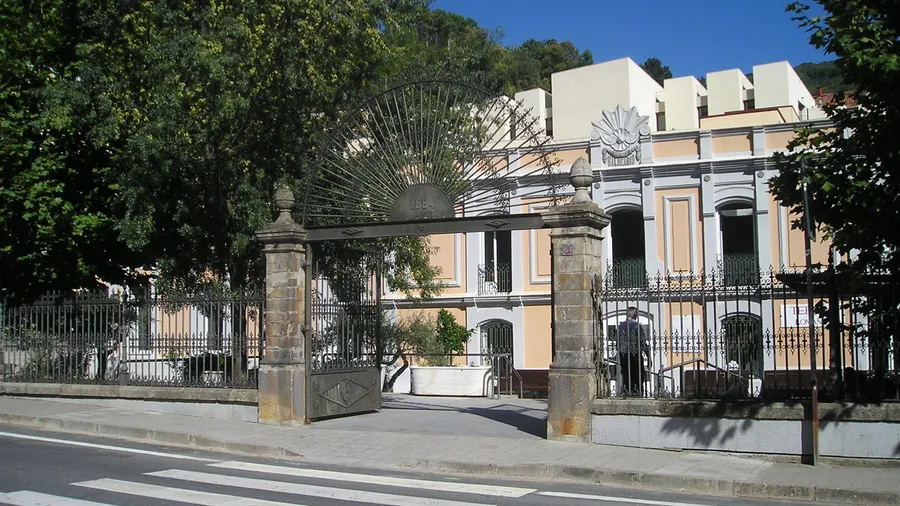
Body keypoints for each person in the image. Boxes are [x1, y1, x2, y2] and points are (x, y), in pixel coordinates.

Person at [616, 307, 649, 396]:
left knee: (626, 375)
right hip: (635, 354)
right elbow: (642, 342)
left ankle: (626, 392)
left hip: (623, 355)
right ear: (635, 315)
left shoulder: (620, 326)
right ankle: (636, 393)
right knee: (637, 375)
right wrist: (648, 356)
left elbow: (617, 343)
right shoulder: (637, 326)